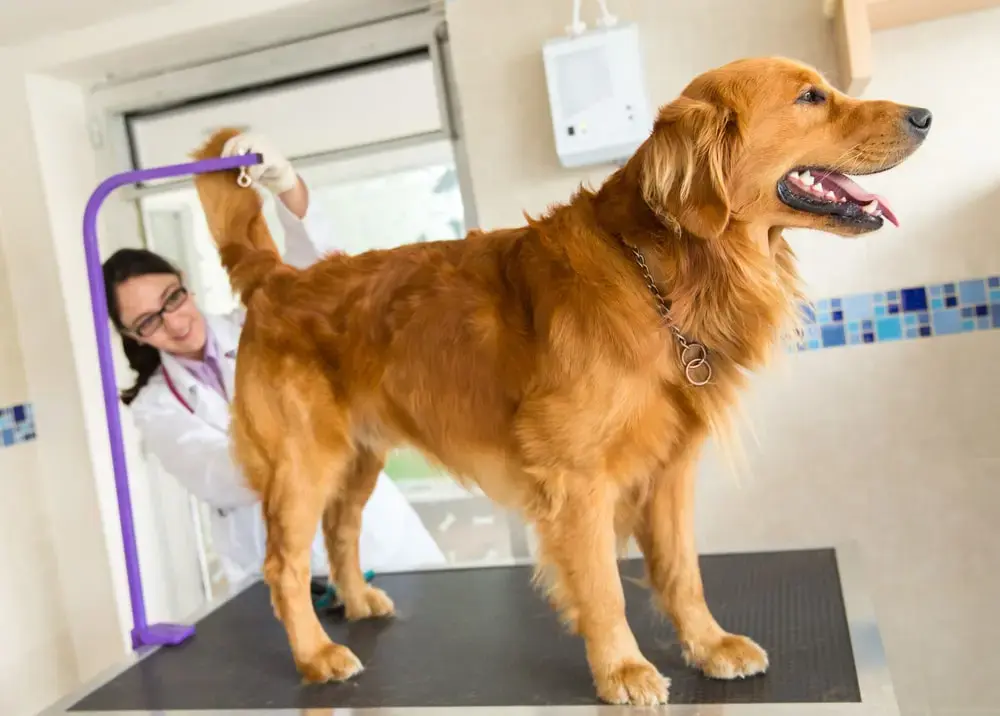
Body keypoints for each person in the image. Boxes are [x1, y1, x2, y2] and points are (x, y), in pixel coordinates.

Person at [102, 132, 446, 594]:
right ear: (129, 335)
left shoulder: (259, 324)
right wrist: (312, 432)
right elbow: (219, 478)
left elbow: (319, 284)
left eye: (173, 299)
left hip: (382, 546)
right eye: (148, 321)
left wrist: (288, 189)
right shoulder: (156, 406)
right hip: (285, 575)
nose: (176, 323)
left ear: (186, 284)